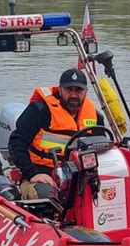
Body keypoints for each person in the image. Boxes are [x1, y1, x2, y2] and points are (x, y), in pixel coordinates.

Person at [8, 68, 104, 198]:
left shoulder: (95, 116)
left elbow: (102, 148)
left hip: (80, 177)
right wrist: (32, 174)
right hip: (43, 175)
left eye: (78, 90)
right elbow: (16, 142)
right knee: (50, 198)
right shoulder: (40, 110)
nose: (74, 95)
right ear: (60, 90)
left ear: (86, 91)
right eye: (69, 90)